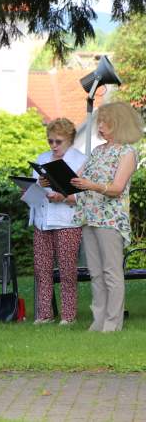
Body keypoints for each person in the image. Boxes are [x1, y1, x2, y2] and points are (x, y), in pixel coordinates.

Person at [71, 101, 144, 332]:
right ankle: (98, 321)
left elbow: (117, 188)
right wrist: (51, 181)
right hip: (89, 217)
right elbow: (74, 180)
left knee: (112, 272)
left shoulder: (127, 152)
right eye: (99, 122)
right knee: (95, 273)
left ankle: (113, 323)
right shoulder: (97, 151)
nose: (99, 126)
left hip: (111, 220)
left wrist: (91, 185)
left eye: (105, 122)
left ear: (118, 124)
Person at [29, 118, 87, 325]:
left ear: (70, 140)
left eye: (58, 141)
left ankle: (68, 316)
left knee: (67, 270)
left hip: (67, 222)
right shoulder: (42, 158)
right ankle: (45, 314)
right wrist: (34, 186)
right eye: (50, 141)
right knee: (42, 268)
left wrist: (64, 196)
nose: (53, 146)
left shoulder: (80, 160)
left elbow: (85, 197)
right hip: (42, 221)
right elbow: (34, 194)